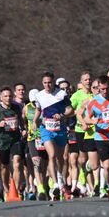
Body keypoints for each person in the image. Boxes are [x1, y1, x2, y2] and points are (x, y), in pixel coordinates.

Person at [33, 72, 74, 200]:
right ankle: (55, 184)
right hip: (46, 129)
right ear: (42, 83)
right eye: (45, 83)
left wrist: (62, 115)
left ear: (53, 82)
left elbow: (70, 110)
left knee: (61, 158)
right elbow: (39, 110)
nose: (47, 85)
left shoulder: (61, 94)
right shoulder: (39, 95)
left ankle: (60, 177)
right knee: (51, 155)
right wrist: (35, 121)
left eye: (49, 82)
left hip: (60, 128)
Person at [0, 86, 26, 201]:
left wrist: (24, 128)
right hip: (2, 141)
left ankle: (15, 190)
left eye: (10, 96)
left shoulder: (16, 107)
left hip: (15, 139)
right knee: (4, 166)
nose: (8, 98)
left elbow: (21, 120)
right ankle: (6, 189)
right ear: (1, 97)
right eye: (5, 96)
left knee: (16, 163)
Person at [24, 89, 48, 200]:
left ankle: (45, 186)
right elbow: (23, 120)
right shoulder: (26, 108)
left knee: (44, 166)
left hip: (44, 136)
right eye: (33, 101)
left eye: (36, 101)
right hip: (32, 138)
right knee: (36, 163)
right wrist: (26, 129)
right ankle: (40, 189)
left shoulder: (44, 105)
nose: (34, 104)